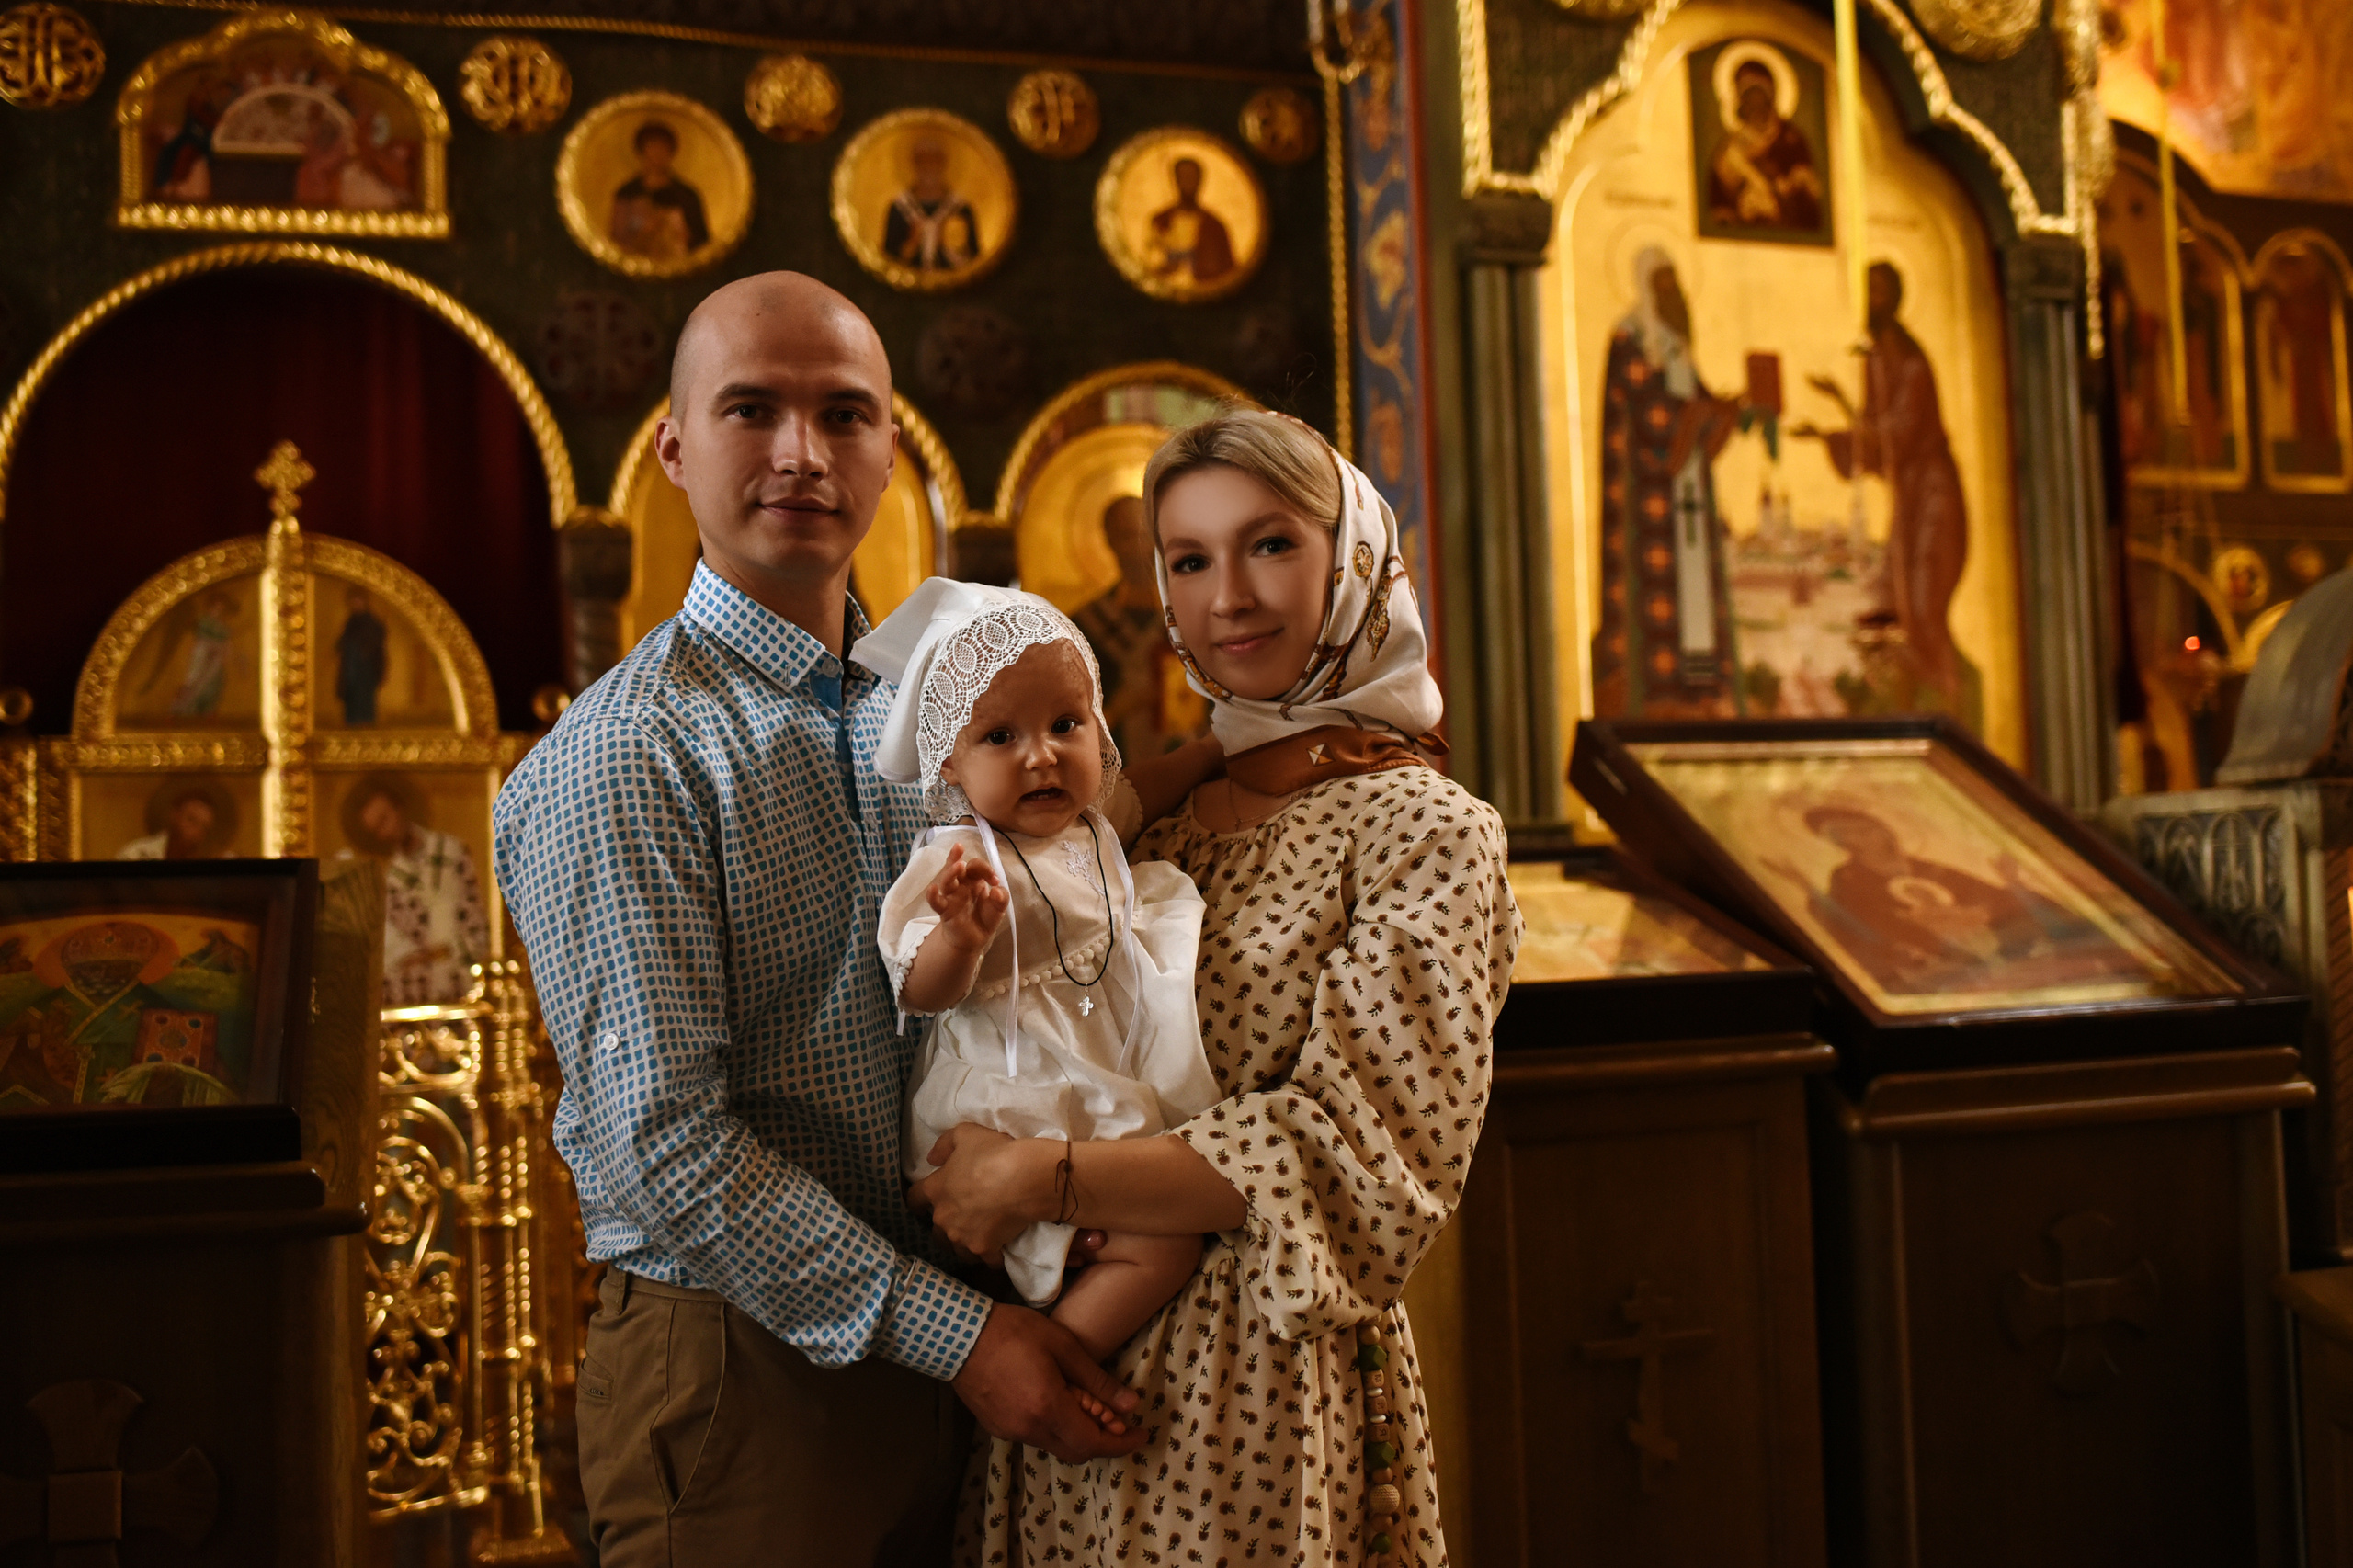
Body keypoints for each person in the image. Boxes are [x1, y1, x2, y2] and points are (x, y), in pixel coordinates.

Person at [494, 273, 1207, 1566]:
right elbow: (665, 1145)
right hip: (748, 1364)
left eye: (844, 415)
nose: (800, 455)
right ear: (672, 446)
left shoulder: (949, 713)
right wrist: (963, 1335)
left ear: (891, 449)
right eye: (752, 409)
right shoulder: (628, 754)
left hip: (967, 1311)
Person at [913, 408, 1521, 1566]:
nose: (1227, 595)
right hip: (1057, 1373)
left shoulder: (1427, 832)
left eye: (1271, 544)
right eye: (1189, 559)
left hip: (1257, 1391)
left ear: (1353, 560)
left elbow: (1361, 1154)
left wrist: (1037, 1176)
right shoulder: (1154, 824)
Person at [858, 579, 1222, 1361]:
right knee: (1161, 1248)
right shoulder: (961, 859)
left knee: (1142, 1222)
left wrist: (1213, 751)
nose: (1043, 754)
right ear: (949, 765)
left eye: (1067, 724)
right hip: (1017, 1098)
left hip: (1088, 1071)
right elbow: (918, 989)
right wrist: (960, 934)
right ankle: (1061, 1363)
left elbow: (1142, 796)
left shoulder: (1088, 823)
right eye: (1000, 738)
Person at [1792, 262, 1972, 712]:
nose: (1871, 302)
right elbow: (1876, 440)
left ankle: (1952, 709)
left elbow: (1898, 434)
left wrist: (1839, 409)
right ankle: (1916, 706)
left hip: (1934, 494)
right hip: (1910, 497)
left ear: (1894, 299)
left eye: (1879, 292)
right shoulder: (1875, 359)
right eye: (1866, 292)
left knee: (1925, 604)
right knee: (1896, 600)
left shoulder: (1911, 362)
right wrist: (1829, 431)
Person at [1590, 249, 1749, 717]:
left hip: (1688, 503)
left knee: (1694, 590)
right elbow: (1649, 414)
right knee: (1658, 595)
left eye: (1675, 283)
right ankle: (1658, 693)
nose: (1673, 294)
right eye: (1662, 284)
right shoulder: (1631, 338)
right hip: (1648, 505)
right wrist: (1700, 415)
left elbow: (1698, 420)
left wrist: (1731, 411)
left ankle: (1697, 689)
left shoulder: (1676, 349)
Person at [1074, 494, 1210, 760]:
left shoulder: (1193, 608)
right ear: (1108, 541)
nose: (1137, 547)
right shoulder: (1088, 623)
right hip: (1119, 763)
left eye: (1143, 534)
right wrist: (1118, 709)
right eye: (1126, 536)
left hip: (1196, 756)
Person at [343, 775, 488, 1006]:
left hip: (465, 960)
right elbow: (405, 939)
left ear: (399, 807)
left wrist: (455, 951)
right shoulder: (393, 878)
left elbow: (473, 911)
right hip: (423, 971)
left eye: (384, 819)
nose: (385, 832)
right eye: (376, 829)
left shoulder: (449, 851)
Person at [1706, 55, 1822, 231]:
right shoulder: (1731, 146)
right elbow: (1718, 197)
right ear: (1741, 103)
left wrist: (1792, 184)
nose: (1755, 106)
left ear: (1770, 99)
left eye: (1759, 97)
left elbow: (1808, 187)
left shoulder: (1791, 138)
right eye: (1748, 99)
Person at [609, 121, 710, 260]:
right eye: (652, 147)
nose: (657, 153)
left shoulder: (686, 195)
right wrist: (643, 230)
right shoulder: (628, 193)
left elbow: (702, 241)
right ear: (642, 151)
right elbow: (618, 238)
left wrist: (683, 234)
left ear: (671, 152)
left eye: (663, 148)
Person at [884, 135, 980, 273]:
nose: (928, 166)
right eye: (922, 161)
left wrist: (949, 244)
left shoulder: (961, 209)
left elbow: (975, 262)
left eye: (934, 160)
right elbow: (887, 262)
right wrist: (912, 244)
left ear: (943, 164)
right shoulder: (899, 209)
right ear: (914, 164)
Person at [1146, 157, 1236, 286]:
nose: (1188, 182)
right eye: (1183, 177)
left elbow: (1229, 272)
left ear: (1200, 181)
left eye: (1192, 177)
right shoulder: (1160, 220)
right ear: (1175, 180)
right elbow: (1149, 262)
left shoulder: (1214, 226)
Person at [118, 778, 234, 860]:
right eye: (191, 820)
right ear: (174, 815)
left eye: (204, 827)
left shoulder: (216, 861)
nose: (196, 831)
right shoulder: (136, 855)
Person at [336, 588, 388, 726]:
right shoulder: (351, 621)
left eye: (358, 601)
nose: (355, 604)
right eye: (353, 602)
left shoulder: (372, 622)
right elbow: (343, 641)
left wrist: (364, 648)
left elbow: (377, 641)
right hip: (351, 666)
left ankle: (366, 722)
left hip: (366, 667)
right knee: (352, 695)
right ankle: (352, 722)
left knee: (364, 695)